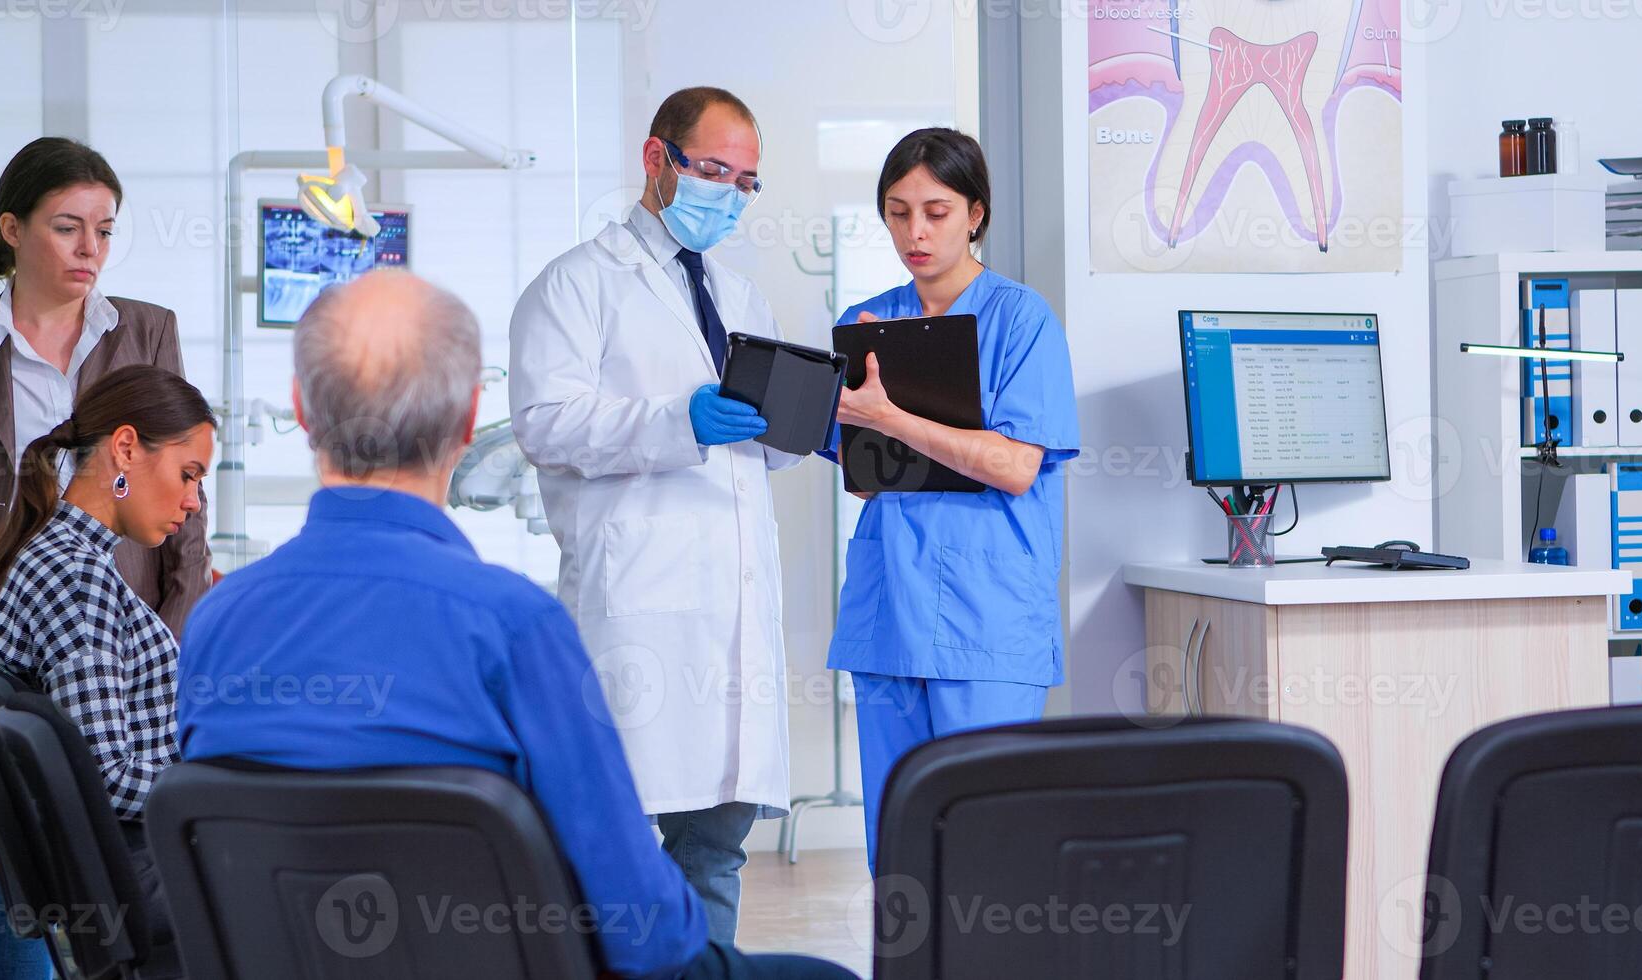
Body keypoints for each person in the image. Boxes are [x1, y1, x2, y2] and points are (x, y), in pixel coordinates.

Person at [178, 270, 851, 980]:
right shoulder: (513, 628)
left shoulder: (216, 622)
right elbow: (644, 935)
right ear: (470, 421)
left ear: (300, 409)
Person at [508, 87, 799, 942]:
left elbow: (758, 457)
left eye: (747, 181)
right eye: (713, 169)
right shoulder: (575, 284)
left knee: (717, 848)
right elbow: (544, 425)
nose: (729, 193)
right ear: (656, 158)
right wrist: (680, 421)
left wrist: (797, 429)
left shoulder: (745, 302)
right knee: (615, 851)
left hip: (734, 615)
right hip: (638, 610)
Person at [826, 128, 1081, 871]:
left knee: (986, 851)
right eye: (898, 211)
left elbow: (1013, 465)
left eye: (936, 211)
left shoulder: (1022, 319)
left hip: (988, 618)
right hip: (890, 613)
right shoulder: (869, 320)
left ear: (975, 213)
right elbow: (864, 472)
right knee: (898, 853)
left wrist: (892, 417)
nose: (916, 231)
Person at [0, 363, 214, 973]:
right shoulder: (78, 578)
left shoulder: (59, 557)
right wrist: (218, 786)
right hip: (150, 873)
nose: (193, 501)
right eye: (188, 474)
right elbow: (107, 774)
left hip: (140, 868)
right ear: (125, 449)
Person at [0, 137, 211, 636]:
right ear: (12, 228)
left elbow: (187, 483)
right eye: (66, 228)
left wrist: (174, 640)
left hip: (126, 632)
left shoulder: (148, 332)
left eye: (105, 231)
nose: (89, 249)